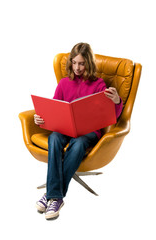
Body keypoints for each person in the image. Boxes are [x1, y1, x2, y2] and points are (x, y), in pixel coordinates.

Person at [34, 42, 123, 220]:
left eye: (81, 63)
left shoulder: (99, 84)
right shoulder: (64, 83)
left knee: (79, 143)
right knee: (54, 138)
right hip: (66, 128)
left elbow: (111, 116)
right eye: (74, 63)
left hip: (89, 132)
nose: (77, 67)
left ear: (88, 63)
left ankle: (52, 195)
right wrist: (41, 119)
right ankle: (56, 196)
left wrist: (116, 101)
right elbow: (54, 108)